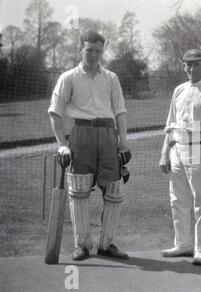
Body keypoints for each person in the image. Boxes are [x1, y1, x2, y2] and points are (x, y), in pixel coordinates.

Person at [48, 31, 132, 261]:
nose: (94, 54)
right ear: (81, 49)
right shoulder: (68, 77)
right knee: (79, 190)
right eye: (89, 50)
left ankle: (107, 243)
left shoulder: (111, 78)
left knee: (115, 190)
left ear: (102, 50)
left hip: (107, 134)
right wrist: (62, 146)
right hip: (80, 135)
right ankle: (82, 245)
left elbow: (120, 112)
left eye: (98, 50)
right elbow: (55, 113)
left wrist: (123, 143)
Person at [159, 48, 201, 265]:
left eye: (196, 64)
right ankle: (183, 244)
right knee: (177, 199)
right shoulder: (178, 90)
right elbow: (170, 124)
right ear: (183, 65)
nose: (191, 68)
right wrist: (164, 154)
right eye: (187, 64)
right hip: (177, 149)